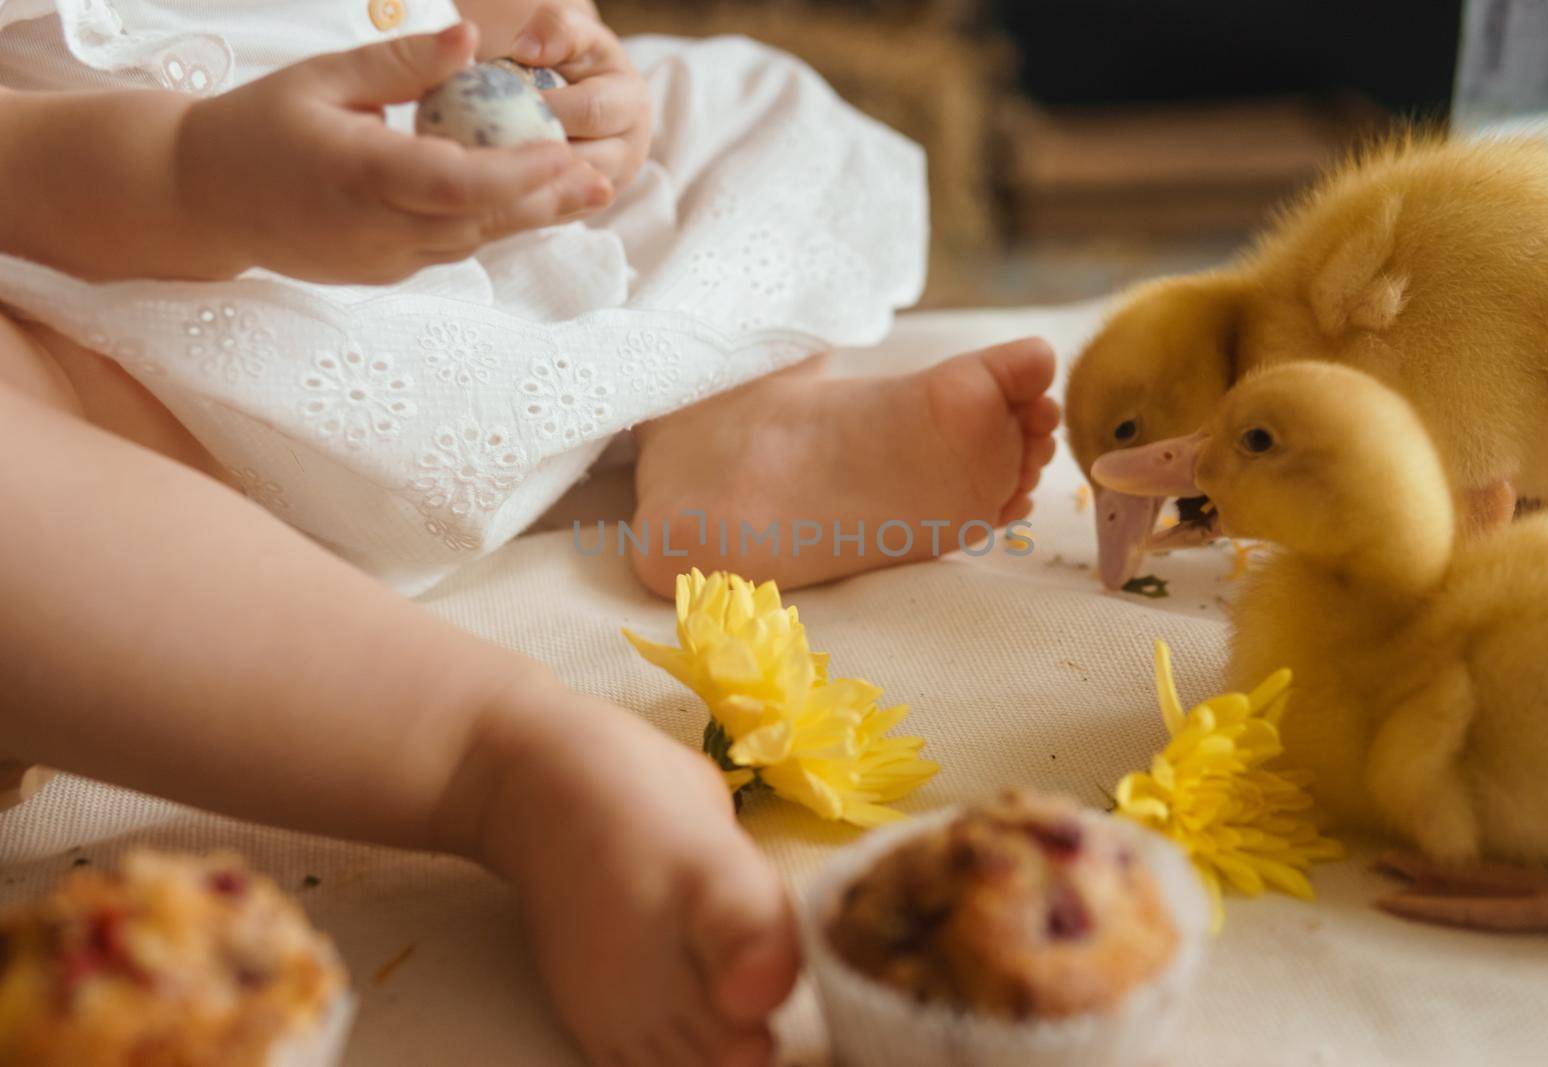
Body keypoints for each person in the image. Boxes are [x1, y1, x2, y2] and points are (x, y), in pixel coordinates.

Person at [0, 2, 1058, 1062]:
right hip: (123, 380)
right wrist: (192, 176)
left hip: (494, 283)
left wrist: (573, 73)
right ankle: (497, 761)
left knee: (742, 101)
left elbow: (490, 28)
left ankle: (732, 428)